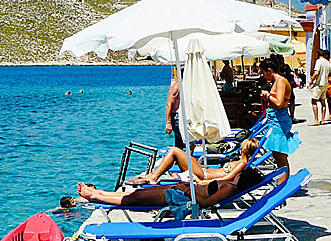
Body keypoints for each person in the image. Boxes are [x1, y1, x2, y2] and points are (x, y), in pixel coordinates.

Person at [77, 163, 265, 209]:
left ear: (243, 178)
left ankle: (96, 196)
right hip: (179, 190)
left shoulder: (230, 188)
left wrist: (186, 190)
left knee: (136, 198)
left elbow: (206, 204)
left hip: (179, 195)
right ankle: (98, 193)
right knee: (137, 193)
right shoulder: (230, 184)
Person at [128, 138, 259, 185]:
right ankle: (153, 175)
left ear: (244, 149)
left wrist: (201, 182)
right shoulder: (240, 162)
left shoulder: (242, 164)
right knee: (179, 152)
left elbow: (227, 178)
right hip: (202, 170)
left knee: (174, 151)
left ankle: (153, 176)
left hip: (203, 175)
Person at [258, 58, 301, 172]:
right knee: (278, 155)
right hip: (276, 119)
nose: (263, 76)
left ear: (269, 70)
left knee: (279, 156)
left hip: (279, 121)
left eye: (263, 73)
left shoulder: (281, 81)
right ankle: (284, 179)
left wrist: (267, 95)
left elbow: (279, 102)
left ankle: (284, 181)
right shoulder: (276, 81)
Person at [309, 48, 331, 125]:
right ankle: (323, 119)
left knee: (314, 101)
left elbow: (316, 73)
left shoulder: (319, 61)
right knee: (323, 102)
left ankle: (316, 119)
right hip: (325, 84)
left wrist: (311, 81)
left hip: (319, 84)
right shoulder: (327, 63)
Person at [165, 69, 185, 149]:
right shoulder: (177, 87)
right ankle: (183, 160)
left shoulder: (186, 86)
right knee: (188, 144)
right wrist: (169, 123)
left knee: (183, 144)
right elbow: (169, 105)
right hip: (177, 117)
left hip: (184, 117)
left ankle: (181, 160)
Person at [273, 55, 297, 121]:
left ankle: (292, 116)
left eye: (282, 59)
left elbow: (291, 73)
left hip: (288, 85)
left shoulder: (286, 66)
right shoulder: (276, 68)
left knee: (291, 100)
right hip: (280, 86)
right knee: (282, 101)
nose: (281, 60)